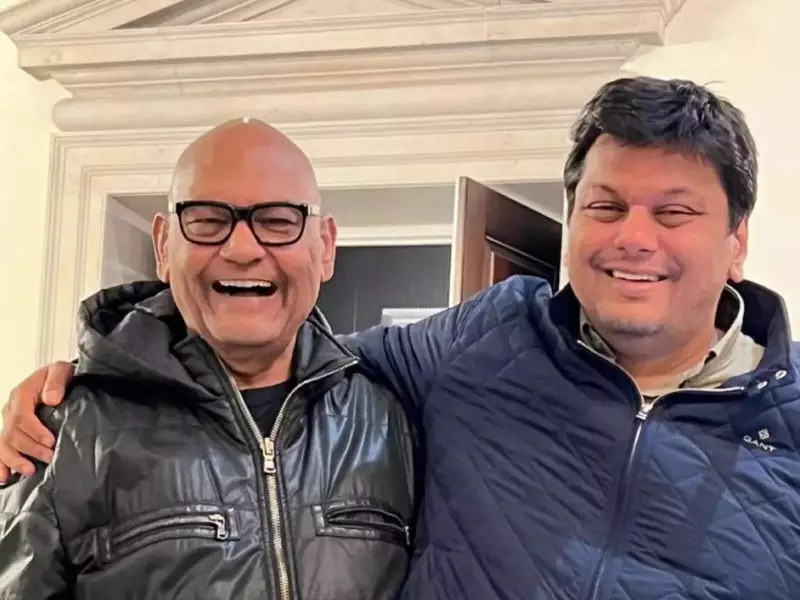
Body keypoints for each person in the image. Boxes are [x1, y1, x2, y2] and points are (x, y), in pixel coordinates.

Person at [4, 75, 800, 599]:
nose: (633, 237)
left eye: (674, 212)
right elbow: (283, 352)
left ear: (736, 240)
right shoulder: (485, 341)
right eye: (605, 206)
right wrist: (96, 369)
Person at [0, 119, 416, 599]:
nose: (242, 249)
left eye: (279, 221)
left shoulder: (391, 423)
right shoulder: (60, 431)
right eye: (207, 220)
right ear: (163, 245)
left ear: (324, 247)